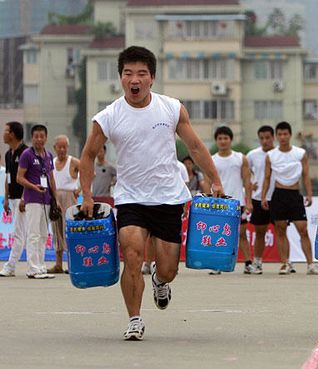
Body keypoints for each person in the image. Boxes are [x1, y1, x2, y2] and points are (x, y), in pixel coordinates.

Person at [79, 46, 223, 341]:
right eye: (128, 73)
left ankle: (159, 280)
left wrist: (215, 179)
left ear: (151, 78)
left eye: (141, 73)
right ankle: (134, 319)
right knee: (132, 255)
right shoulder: (108, 116)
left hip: (169, 198)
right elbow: (88, 155)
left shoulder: (171, 108)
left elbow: (195, 147)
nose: (135, 79)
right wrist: (86, 195)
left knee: (169, 268)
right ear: (121, 78)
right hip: (131, 198)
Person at [261, 121, 318, 275]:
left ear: (289, 135)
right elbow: (267, 178)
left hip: (295, 195)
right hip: (278, 195)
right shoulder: (271, 156)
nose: (282, 137)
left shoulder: (300, 153)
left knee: (303, 229)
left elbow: (306, 175)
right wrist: (263, 196)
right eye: (280, 134)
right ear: (276, 137)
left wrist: (309, 194)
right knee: (280, 230)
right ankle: (285, 263)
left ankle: (311, 264)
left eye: (285, 134)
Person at [209, 126, 255, 275]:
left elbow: (247, 180)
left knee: (242, 233)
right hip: (219, 203)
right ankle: (217, 264)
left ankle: (248, 264)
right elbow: (206, 181)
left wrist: (248, 202)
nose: (223, 141)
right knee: (218, 234)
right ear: (216, 141)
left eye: (225, 138)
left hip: (237, 203)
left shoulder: (240, 158)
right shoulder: (212, 160)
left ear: (231, 140)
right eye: (220, 138)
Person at [17, 124, 60, 279]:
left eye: (42, 136)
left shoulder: (48, 156)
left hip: (47, 199)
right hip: (33, 199)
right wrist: (33, 187)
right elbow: (19, 177)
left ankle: (41, 266)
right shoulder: (27, 155)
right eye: (36, 136)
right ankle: (32, 268)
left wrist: (55, 198)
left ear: (46, 137)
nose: (39, 139)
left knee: (43, 234)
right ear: (32, 137)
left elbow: (51, 178)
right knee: (33, 233)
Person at [47, 135, 80, 274]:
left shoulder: (73, 162)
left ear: (67, 147)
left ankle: (72, 264)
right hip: (56, 197)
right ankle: (58, 263)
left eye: (64, 147)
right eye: (59, 147)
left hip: (68, 197)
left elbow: (90, 172)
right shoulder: (51, 162)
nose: (62, 149)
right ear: (55, 148)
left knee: (69, 230)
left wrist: (80, 189)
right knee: (56, 230)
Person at [0, 122, 28, 277]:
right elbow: (8, 177)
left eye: (5, 130)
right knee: (21, 232)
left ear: (12, 134)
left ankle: (10, 266)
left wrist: (24, 197)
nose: (3, 133)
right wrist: (6, 197)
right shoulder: (8, 153)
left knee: (19, 233)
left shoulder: (25, 152)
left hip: (23, 200)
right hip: (12, 198)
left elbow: (28, 177)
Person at [246, 125, 275, 274]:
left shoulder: (280, 154)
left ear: (273, 138)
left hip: (277, 197)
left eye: (268, 138)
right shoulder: (252, 155)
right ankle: (257, 262)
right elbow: (244, 174)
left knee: (282, 232)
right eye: (262, 138)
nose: (265, 141)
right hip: (258, 198)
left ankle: (286, 263)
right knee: (260, 232)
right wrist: (250, 185)